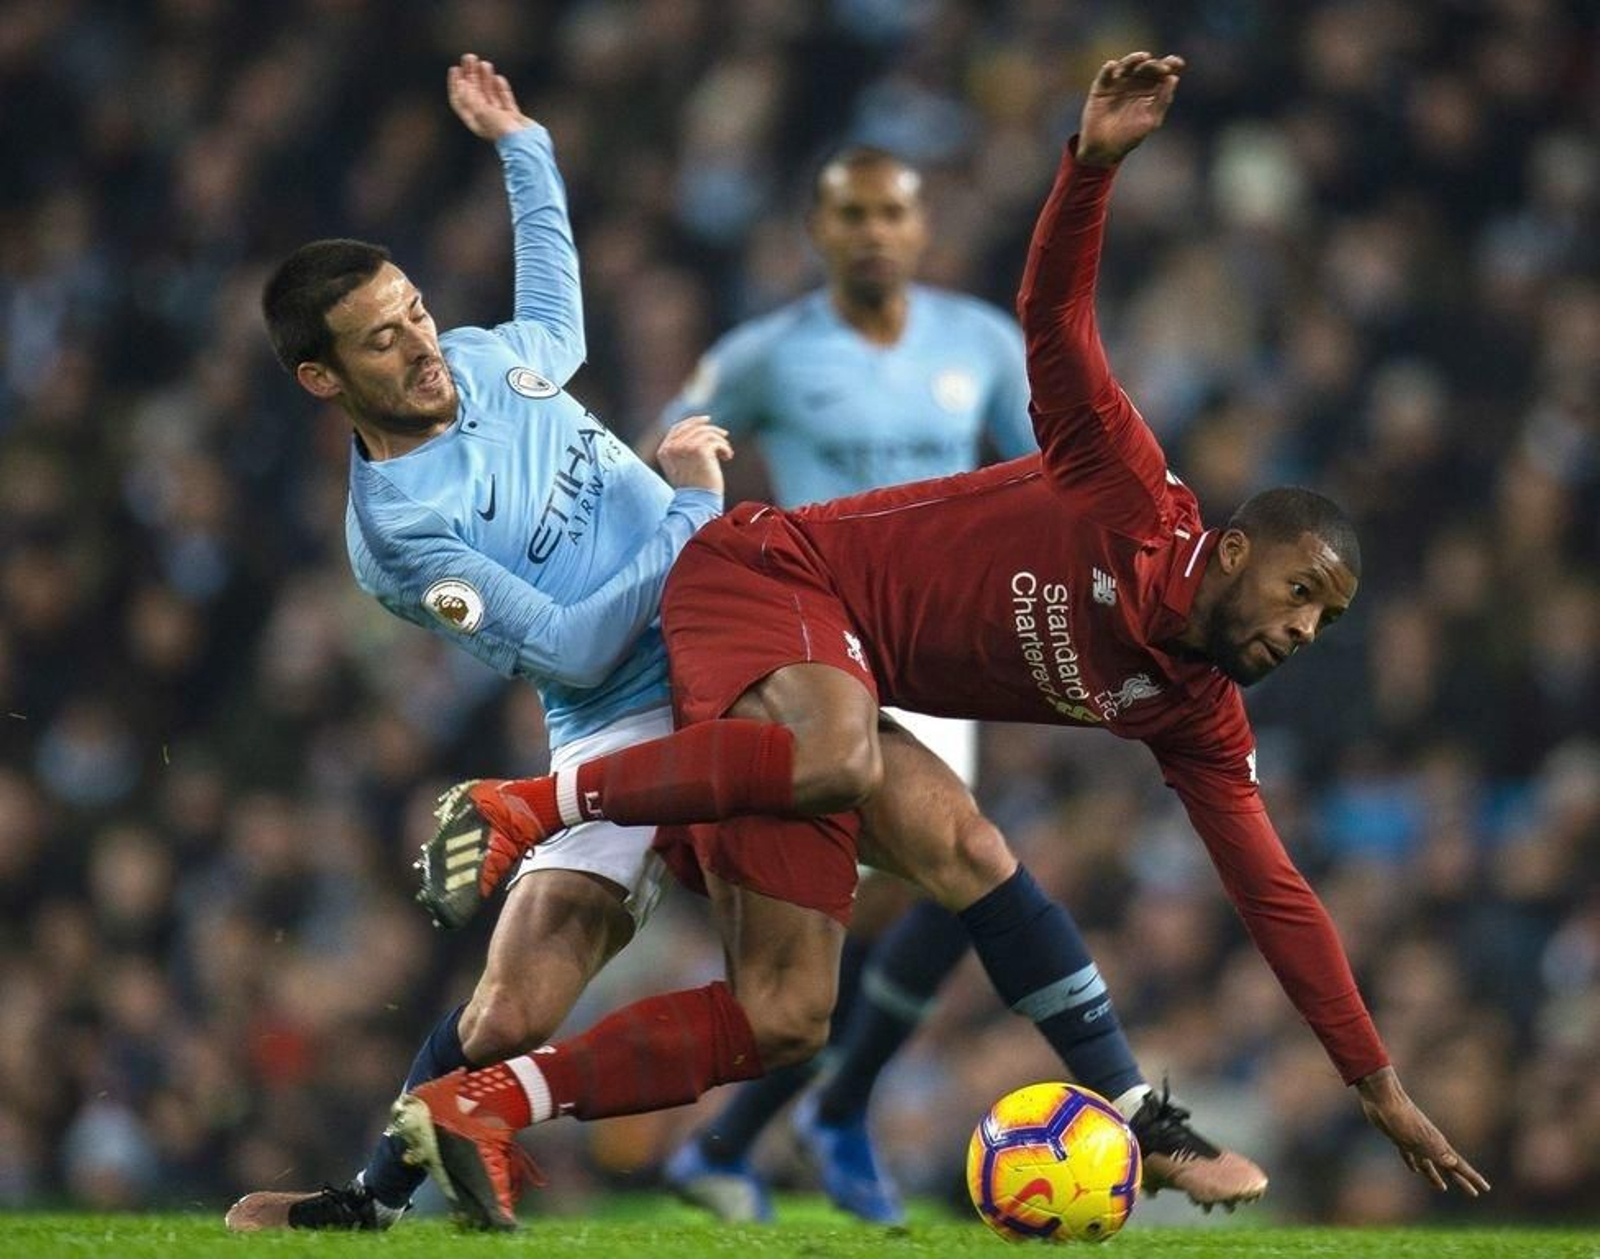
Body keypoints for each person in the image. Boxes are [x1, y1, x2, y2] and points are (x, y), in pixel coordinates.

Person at [396, 51, 1489, 1231]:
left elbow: (1274, 892)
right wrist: (1091, 168)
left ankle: (493, 1102)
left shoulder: (1193, 707)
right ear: (1233, 548)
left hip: (839, 679)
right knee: (841, 750)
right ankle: (531, 804)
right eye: (1300, 591)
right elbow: (1055, 321)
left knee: (806, 996)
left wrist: (1372, 1080)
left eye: (1325, 619)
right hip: (765, 571)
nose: (1303, 628)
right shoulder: (1123, 488)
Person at [223, 54, 734, 1231]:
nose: (422, 344)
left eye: (413, 312)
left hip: (736, 626)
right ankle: (372, 1199)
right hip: (618, 712)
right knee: (508, 1011)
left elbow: (552, 316)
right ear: (321, 377)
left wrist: (523, 146)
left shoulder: (485, 359)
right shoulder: (400, 531)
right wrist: (690, 507)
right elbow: (564, 646)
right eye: (383, 340)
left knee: (924, 830)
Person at [653, 145, 1054, 1225]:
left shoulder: (980, 343)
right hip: (821, 656)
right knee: (940, 888)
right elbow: (674, 444)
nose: (873, 231)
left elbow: (1044, 482)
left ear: (921, 231)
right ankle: (808, 1115)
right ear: (818, 232)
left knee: (945, 893)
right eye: (852, 215)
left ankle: (755, 1133)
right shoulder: (768, 355)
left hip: (936, 655)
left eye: (891, 213)